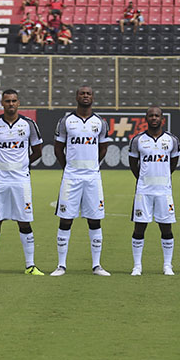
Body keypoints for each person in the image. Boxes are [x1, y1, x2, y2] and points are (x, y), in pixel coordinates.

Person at [0, 89, 44, 276]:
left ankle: (30, 265)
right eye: (7, 101)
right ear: (2, 103)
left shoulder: (29, 124)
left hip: (20, 180)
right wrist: (1, 165)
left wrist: (22, 165)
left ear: (19, 103)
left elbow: (37, 150)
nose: (11, 104)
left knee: (24, 221)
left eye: (14, 101)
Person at [51, 87, 111, 277]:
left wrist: (93, 166)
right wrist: (68, 168)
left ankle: (97, 265)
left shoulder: (100, 122)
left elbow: (103, 148)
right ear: (76, 97)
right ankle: (61, 265)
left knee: (95, 219)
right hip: (71, 177)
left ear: (93, 97)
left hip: (92, 177)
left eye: (89, 94)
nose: (85, 96)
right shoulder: (66, 121)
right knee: (66, 219)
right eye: (82, 93)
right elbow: (58, 149)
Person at [128, 106, 180, 276]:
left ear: (162, 119)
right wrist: (143, 179)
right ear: (146, 118)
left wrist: (163, 178)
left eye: (157, 116)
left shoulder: (171, 140)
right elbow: (133, 164)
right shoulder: (137, 140)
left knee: (166, 228)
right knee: (139, 228)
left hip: (164, 192)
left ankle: (167, 265)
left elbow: (173, 163)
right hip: (144, 191)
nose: (154, 118)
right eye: (151, 115)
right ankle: (137, 266)